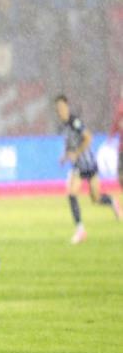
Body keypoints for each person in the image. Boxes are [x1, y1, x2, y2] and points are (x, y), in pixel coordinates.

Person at [54, 94, 121, 244]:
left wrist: (77, 153)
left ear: (67, 107)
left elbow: (88, 137)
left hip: (89, 164)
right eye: (58, 108)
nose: (60, 111)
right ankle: (80, 230)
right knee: (71, 193)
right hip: (78, 166)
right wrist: (65, 156)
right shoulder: (64, 126)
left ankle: (112, 201)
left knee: (96, 198)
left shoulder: (74, 122)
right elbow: (70, 144)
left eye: (62, 107)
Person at [108, 86, 123, 189]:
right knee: (120, 175)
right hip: (122, 148)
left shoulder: (120, 107)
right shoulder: (120, 107)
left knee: (121, 174)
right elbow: (116, 122)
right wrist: (112, 134)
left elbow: (117, 122)